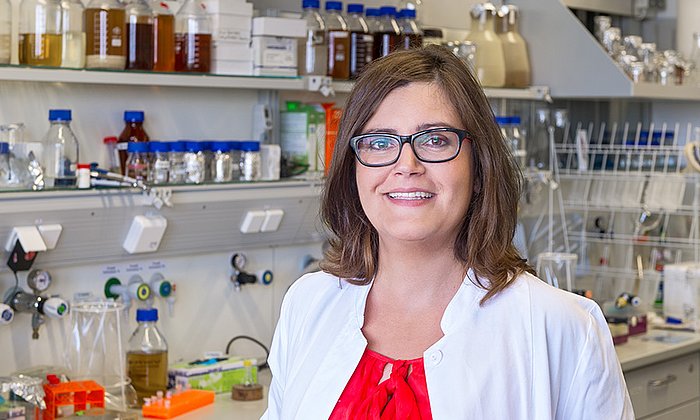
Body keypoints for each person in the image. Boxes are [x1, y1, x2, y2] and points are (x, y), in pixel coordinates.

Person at [262, 45, 633, 419]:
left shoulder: (563, 327)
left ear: (478, 167)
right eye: (379, 142)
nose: (406, 166)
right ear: (353, 168)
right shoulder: (308, 304)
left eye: (435, 140)